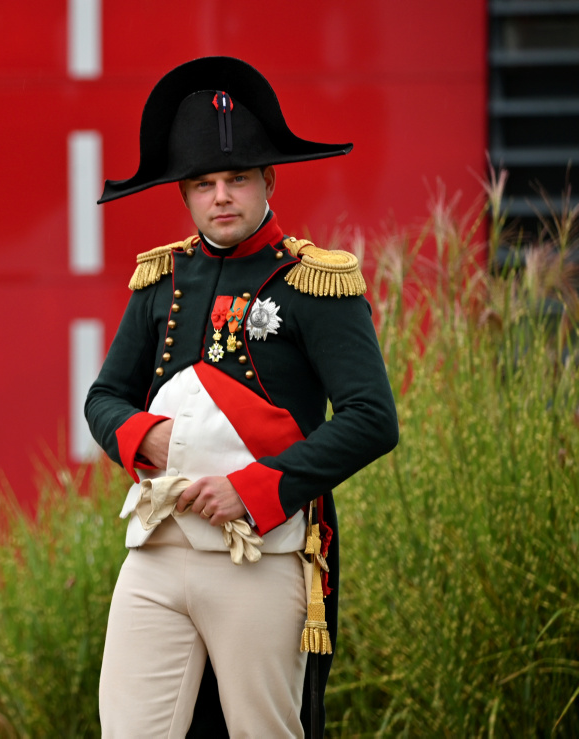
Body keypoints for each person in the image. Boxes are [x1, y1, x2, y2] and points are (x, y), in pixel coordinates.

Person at [85, 57, 399, 738]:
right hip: (157, 548)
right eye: (203, 184)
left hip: (261, 553)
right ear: (186, 195)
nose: (221, 196)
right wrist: (147, 438)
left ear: (268, 181)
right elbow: (105, 396)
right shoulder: (161, 278)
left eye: (235, 179)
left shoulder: (316, 282)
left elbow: (374, 419)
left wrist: (255, 490)